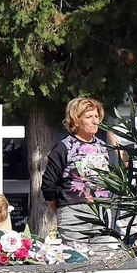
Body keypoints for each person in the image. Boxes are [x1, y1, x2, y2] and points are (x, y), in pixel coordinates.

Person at [42, 96, 122, 253]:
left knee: (103, 259)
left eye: (97, 116)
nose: (94, 121)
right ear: (76, 120)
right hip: (73, 214)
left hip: (101, 213)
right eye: (89, 117)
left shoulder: (102, 146)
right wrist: (62, 210)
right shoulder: (64, 147)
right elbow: (48, 186)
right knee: (77, 260)